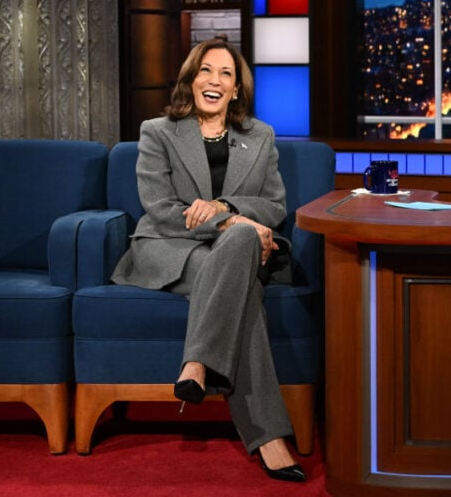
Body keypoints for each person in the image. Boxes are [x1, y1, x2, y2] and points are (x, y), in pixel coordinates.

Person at [110, 35, 305, 483]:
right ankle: (270, 438)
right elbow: (159, 207)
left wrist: (225, 210)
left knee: (236, 246)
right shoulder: (157, 132)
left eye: (226, 74)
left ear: (236, 89)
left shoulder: (261, 137)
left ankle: (196, 363)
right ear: (191, 80)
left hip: (231, 250)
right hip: (172, 247)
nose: (214, 81)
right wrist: (234, 224)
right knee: (244, 279)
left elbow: (274, 207)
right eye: (205, 71)